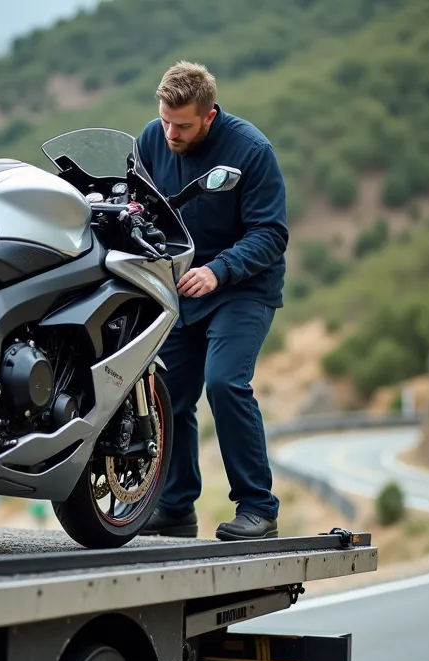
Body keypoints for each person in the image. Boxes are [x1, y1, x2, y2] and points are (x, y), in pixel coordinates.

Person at [133, 61, 289, 541]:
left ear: (209, 116)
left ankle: (258, 509)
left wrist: (218, 271)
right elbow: (135, 201)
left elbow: (271, 233)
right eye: (165, 120)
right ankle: (176, 507)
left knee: (225, 383)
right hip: (181, 288)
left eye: (182, 125)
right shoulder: (152, 139)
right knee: (167, 395)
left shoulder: (251, 150)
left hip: (243, 286)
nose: (170, 133)